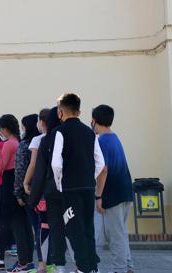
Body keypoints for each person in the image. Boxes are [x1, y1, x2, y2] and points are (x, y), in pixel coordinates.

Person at [52, 94, 105, 273]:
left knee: (74, 229)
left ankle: (83, 268)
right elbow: (100, 163)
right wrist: (89, 176)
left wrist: (60, 184)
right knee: (88, 228)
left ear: (60, 112)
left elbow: (56, 163)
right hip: (88, 187)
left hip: (70, 189)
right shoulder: (90, 132)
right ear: (79, 111)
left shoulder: (60, 131)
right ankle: (92, 267)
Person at [91, 105, 134, 273]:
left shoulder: (101, 141)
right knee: (121, 233)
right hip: (125, 191)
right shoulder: (115, 138)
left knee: (115, 235)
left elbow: (103, 170)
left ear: (94, 121)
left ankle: (120, 269)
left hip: (112, 194)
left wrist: (98, 196)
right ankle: (128, 267)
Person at [0, 114, 35, 273]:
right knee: (24, 224)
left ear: (4, 128)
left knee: (17, 225)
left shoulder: (10, 144)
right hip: (15, 183)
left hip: (9, 184)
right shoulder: (19, 142)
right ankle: (27, 259)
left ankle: (24, 261)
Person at [29, 106, 68, 273]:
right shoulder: (72, 136)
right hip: (70, 192)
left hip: (50, 193)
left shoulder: (44, 140)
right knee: (68, 228)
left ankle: (44, 265)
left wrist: (33, 198)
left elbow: (39, 170)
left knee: (45, 227)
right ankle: (65, 266)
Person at [15, 114, 40, 270]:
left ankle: (29, 263)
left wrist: (18, 192)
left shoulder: (25, 145)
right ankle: (46, 263)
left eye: (23, 125)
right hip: (44, 191)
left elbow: (20, 170)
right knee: (43, 228)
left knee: (34, 227)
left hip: (28, 191)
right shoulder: (44, 141)